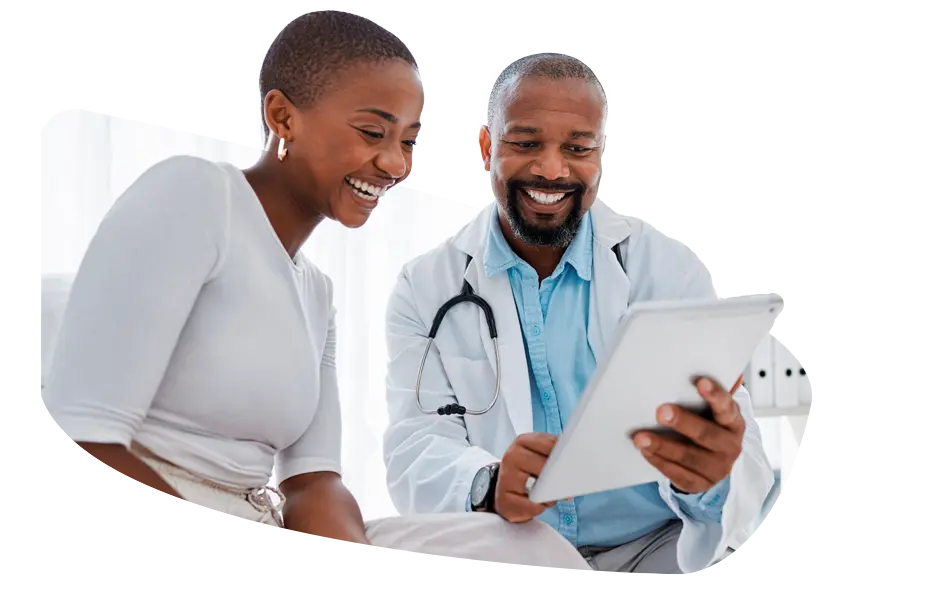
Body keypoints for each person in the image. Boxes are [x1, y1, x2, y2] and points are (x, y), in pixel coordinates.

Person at [40, 12, 591, 574]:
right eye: (372, 133)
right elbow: (83, 437)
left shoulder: (316, 292)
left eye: (408, 141)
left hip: (262, 528)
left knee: (534, 553)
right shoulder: (196, 195)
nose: (395, 164)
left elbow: (312, 484)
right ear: (282, 116)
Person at [382, 52, 775, 576]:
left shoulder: (666, 269)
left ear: (601, 154)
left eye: (578, 148)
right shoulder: (425, 287)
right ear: (486, 147)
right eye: (525, 143)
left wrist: (707, 476)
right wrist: (487, 484)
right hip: (517, 552)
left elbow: (733, 438)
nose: (551, 168)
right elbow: (415, 443)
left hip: (658, 547)